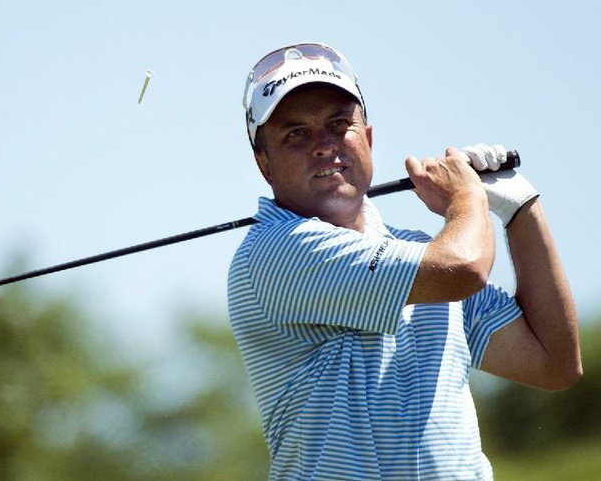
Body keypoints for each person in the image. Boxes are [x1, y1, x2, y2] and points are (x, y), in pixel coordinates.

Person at [228, 42, 582, 480]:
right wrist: (468, 194)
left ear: (369, 139)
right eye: (295, 133)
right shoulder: (275, 253)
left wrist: (521, 210)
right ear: (264, 163)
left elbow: (554, 363)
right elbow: (464, 268)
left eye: (340, 124)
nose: (323, 146)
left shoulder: (420, 254)